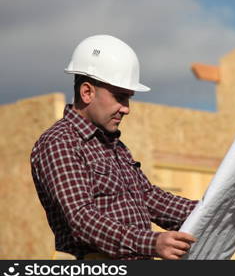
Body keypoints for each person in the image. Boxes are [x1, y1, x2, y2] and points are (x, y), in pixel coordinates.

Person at [30, 35, 198, 260]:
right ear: (87, 92)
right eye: (120, 97)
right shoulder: (59, 142)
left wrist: (220, 208)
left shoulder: (114, 146)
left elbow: (149, 198)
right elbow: (82, 220)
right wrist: (152, 242)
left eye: (128, 98)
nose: (126, 109)